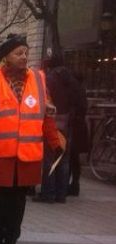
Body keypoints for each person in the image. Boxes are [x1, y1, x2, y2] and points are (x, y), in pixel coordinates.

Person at [0, 34, 62, 244]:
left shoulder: (39, 80)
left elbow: (46, 116)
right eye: (18, 53)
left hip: (26, 158)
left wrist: (56, 143)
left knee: (17, 205)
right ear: (6, 57)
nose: (24, 57)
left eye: (26, 53)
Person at [36, 56, 78, 203]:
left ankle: (48, 193)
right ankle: (61, 194)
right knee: (64, 159)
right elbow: (78, 102)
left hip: (52, 122)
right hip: (68, 123)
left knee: (49, 159)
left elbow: (45, 101)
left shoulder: (49, 80)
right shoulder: (72, 80)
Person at [68, 70, 89, 196]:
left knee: (71, 157)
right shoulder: (82, 91)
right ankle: (75, 184)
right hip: (81, 127)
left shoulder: (75, 91)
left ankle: (72, 184)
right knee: (74, 158)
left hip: (75, 127)